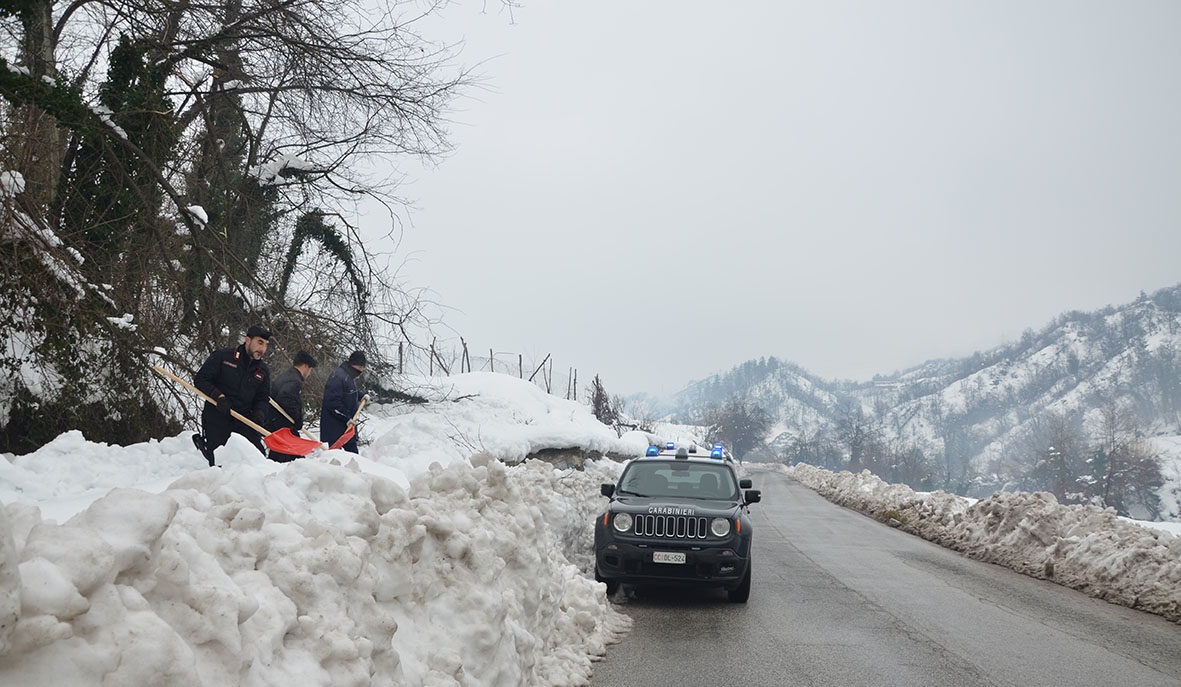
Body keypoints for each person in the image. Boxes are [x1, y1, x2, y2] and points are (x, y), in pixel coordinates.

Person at [192, 324, 272, 466]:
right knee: (220, 464)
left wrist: (259, 413)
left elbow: (263, 398)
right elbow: (201, 379)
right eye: (259, 343)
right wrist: (219, 397)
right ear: (248, 340)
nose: (262, 349)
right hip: (218, 417)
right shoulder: (223, 357)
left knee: (257, 460)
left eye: (266, 345)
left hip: (243, 420)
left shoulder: (262, 370)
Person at [264, 350, 318, 463]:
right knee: (292, 462)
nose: (310, 373)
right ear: (305, 366)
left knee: (280, 459)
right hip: (283, 428)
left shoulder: (288, 376)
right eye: (310, 369)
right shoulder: (294, 381)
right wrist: (296, 418)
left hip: (278, 426)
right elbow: (285, 398)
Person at [320, 350, 365, 453]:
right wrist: (346, 418)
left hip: (347, 429)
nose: (361, 370)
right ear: (354, 364)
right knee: (336, 460)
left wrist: (361, 396)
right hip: (336, 429)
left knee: (353, 458)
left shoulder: (348, 377)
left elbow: (348, 393)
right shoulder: (338, 377)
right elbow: (332, 402)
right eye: (360, 367)